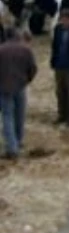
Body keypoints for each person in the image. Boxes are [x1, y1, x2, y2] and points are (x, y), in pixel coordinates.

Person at [0, 29, 36, 157]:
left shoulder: (1, 50)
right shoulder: (26, 50)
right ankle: (19, 141)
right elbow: (33, 69)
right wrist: (26, 80)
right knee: (20, 115)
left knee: (7, 117)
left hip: (4, 88)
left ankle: (12, 148)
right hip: (20, 86)